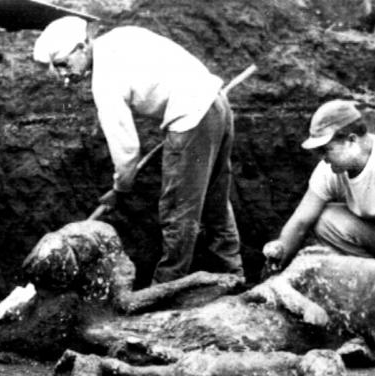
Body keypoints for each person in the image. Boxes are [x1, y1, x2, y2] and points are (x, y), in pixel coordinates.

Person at [32, 16, 243, 285]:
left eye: (64, 64)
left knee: (178, 210)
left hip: (191, 119)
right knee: (215, 201)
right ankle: (233, 275)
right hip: (217, 104)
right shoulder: (121, 36)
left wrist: (121, 187)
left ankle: (166, 288)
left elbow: (126, 149)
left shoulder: (104, 79)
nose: (64, 75)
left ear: (82, 46)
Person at [262, 99, 375, 273]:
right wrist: (278, 256)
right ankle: (368, 276)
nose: (322, 157)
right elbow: (300, 222)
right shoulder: (330, 169)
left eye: (325, 149)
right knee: (326, 219)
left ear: (351, 140)